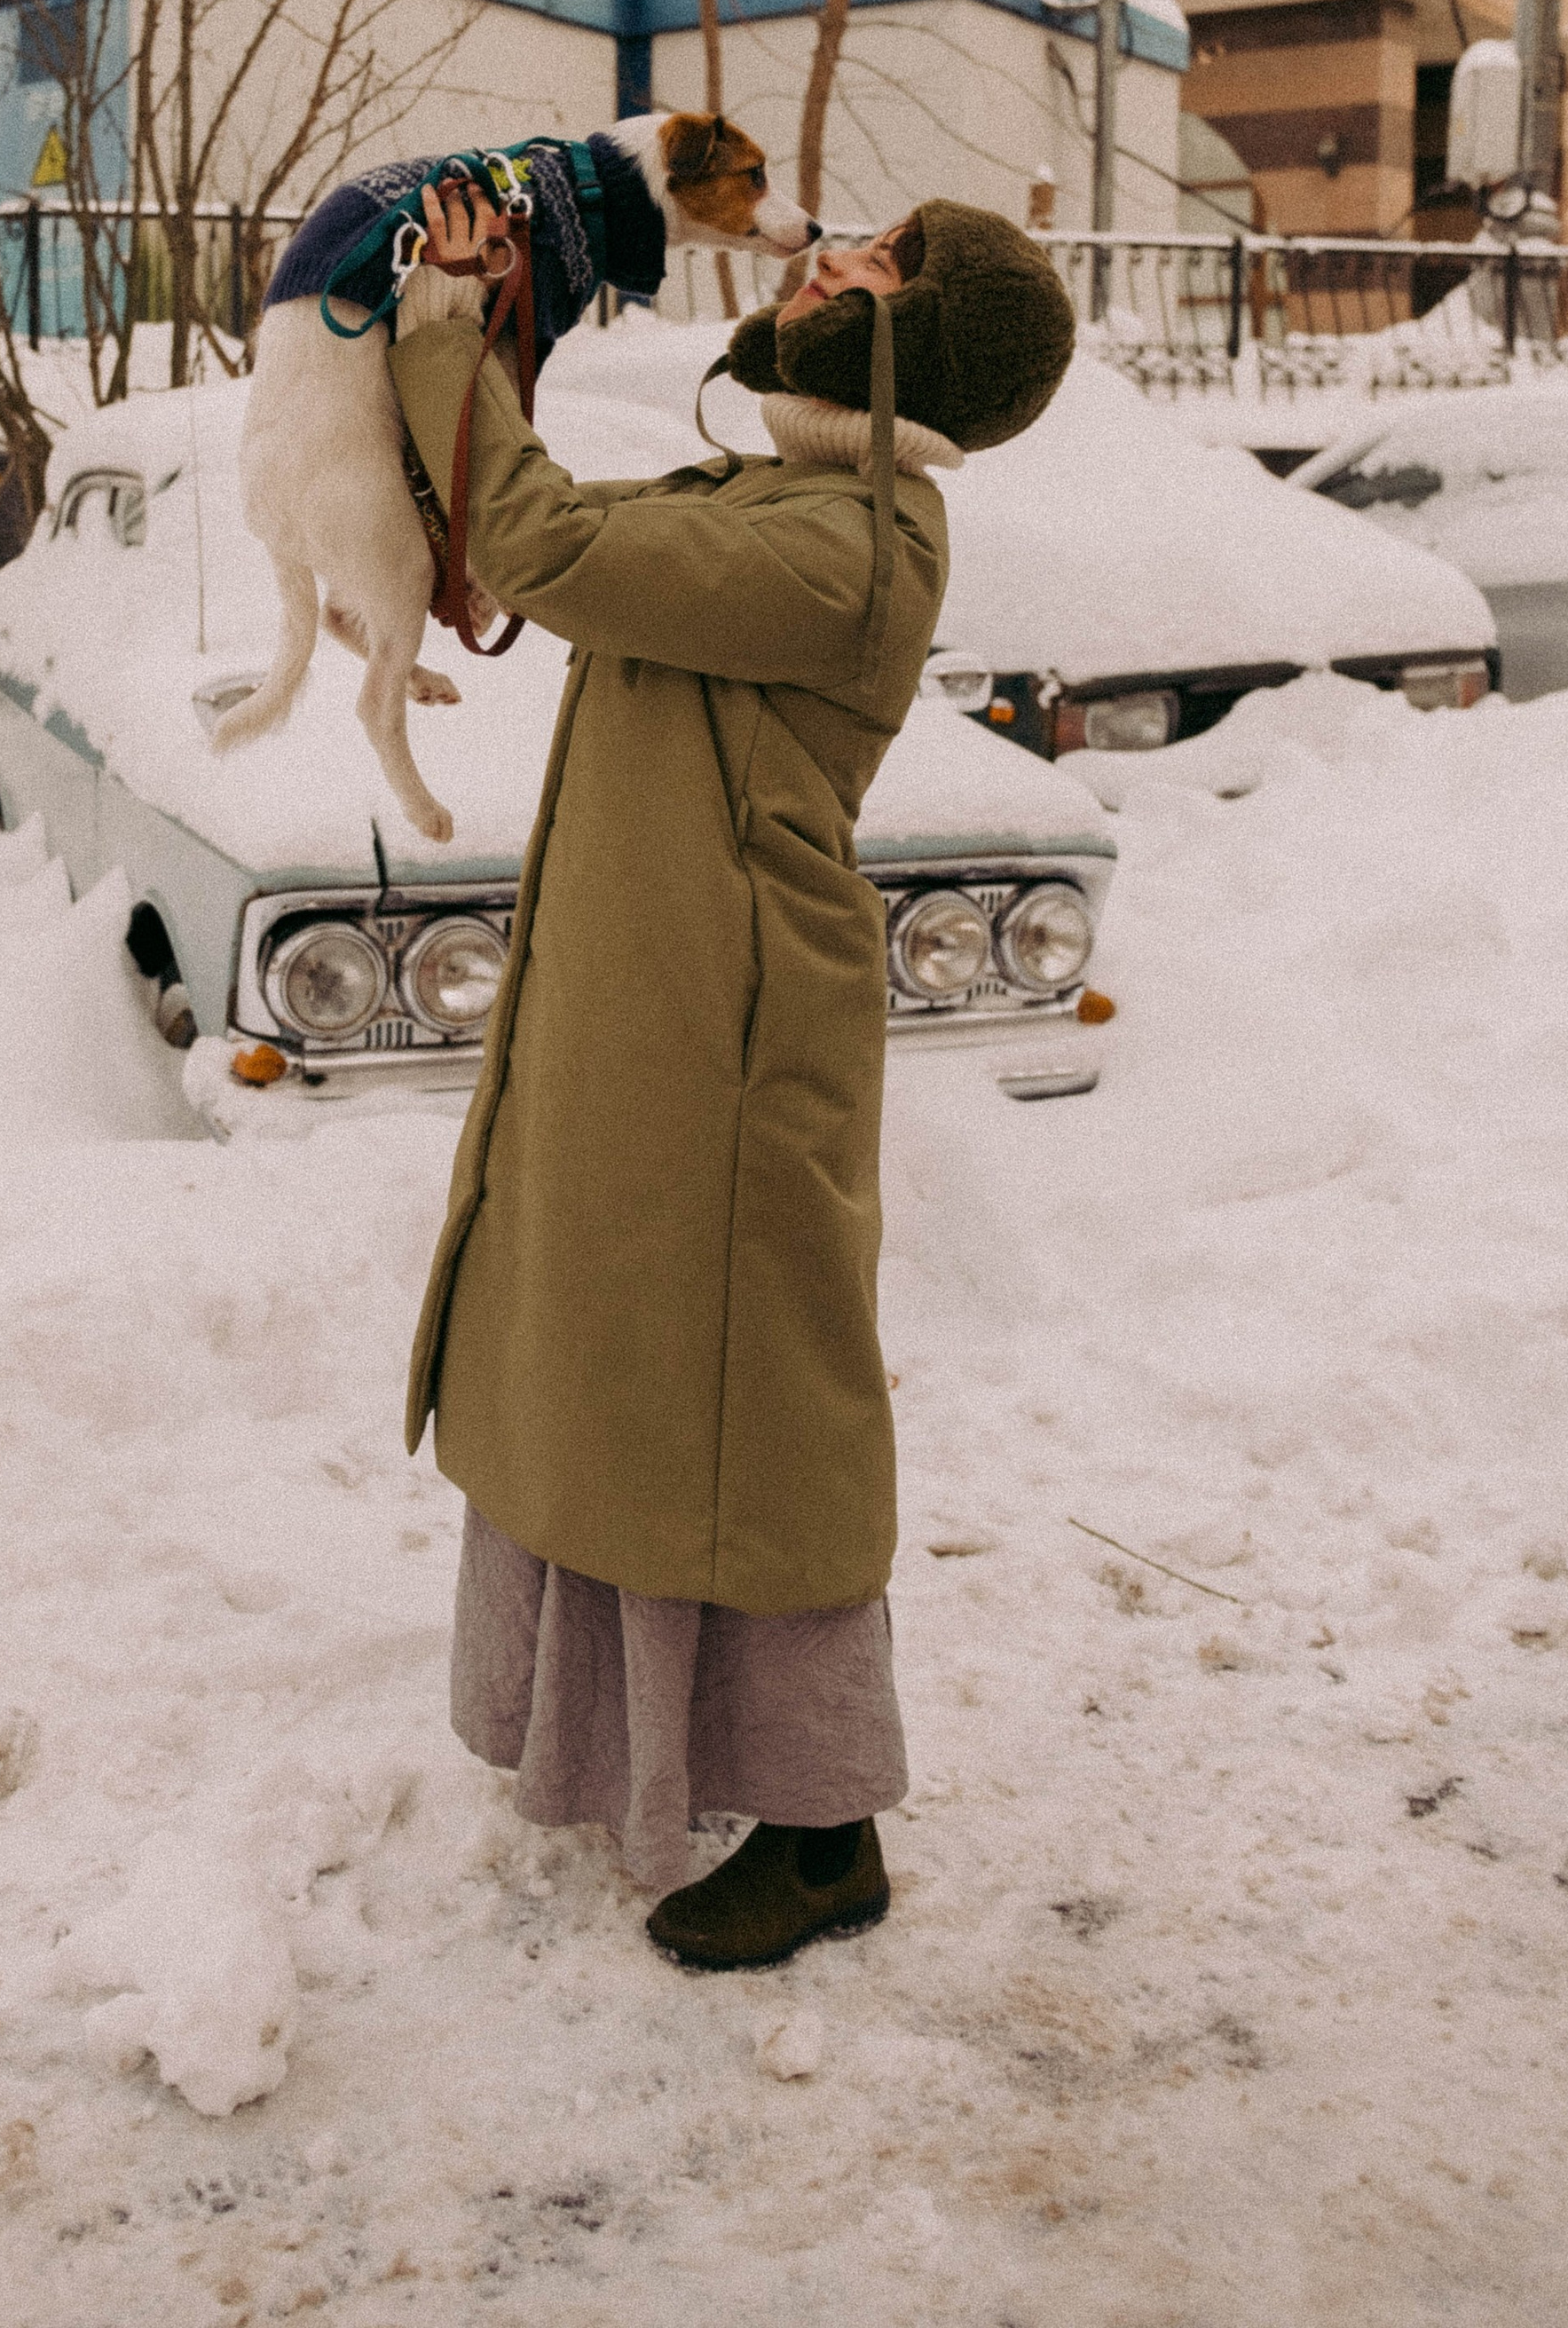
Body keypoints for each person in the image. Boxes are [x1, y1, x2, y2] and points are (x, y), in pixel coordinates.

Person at [388, 178, 1076, 1969]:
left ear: (906, 339)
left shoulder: (845, 540)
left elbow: (543, 550)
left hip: (725, 1034)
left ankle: (826, 1827)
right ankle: (633, 1749)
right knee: (612, 1376)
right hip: (653, 1007)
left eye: (864, 266)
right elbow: (532, 541)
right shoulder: (780, 499)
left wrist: (458, 335)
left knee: (752, 1418)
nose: (816, 264)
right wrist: (498, 336)